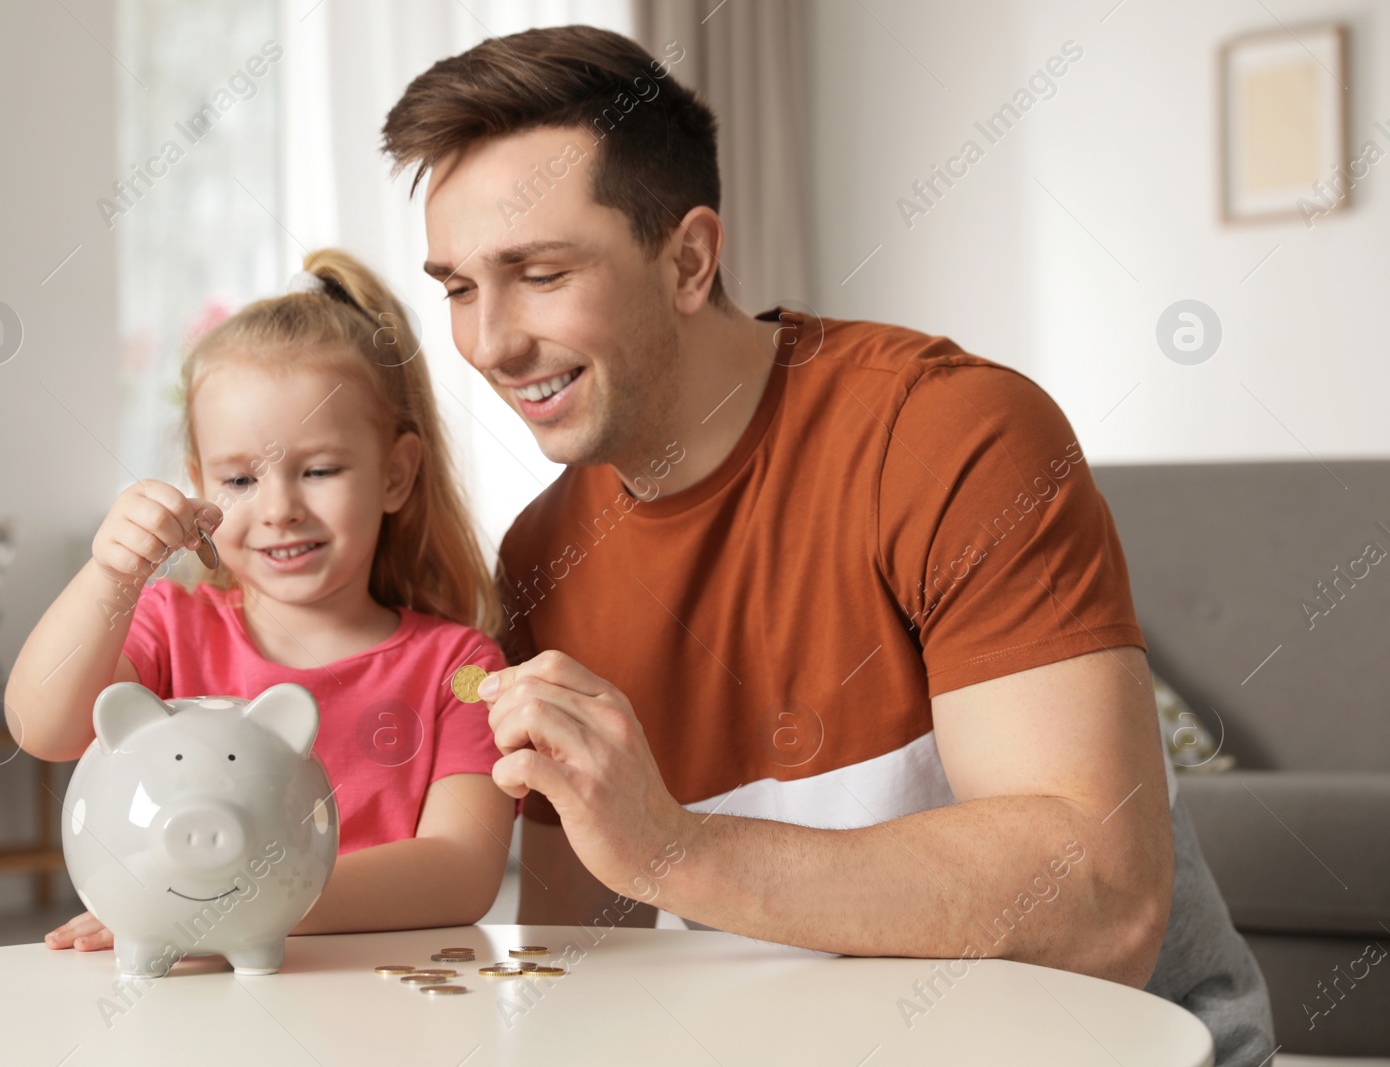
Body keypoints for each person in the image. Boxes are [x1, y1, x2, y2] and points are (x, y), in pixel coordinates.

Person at [382, 24, 1273, 1064]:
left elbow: (1100, 902)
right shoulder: (544, 554)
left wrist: (674, 847)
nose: (488, 341)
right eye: (454, 286)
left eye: (536, 272)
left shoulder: (951, 435)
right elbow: (589, 961)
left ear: (688, 258)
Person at [7, 249, 516, 950]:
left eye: (319, 469)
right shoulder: (169, 628)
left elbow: (461, 873)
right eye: (240, 480)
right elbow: (43, 726)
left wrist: (232, 905)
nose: (279, 509)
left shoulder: (459, 668)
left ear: (396, 475)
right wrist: (109, 575)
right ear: (199, 482)